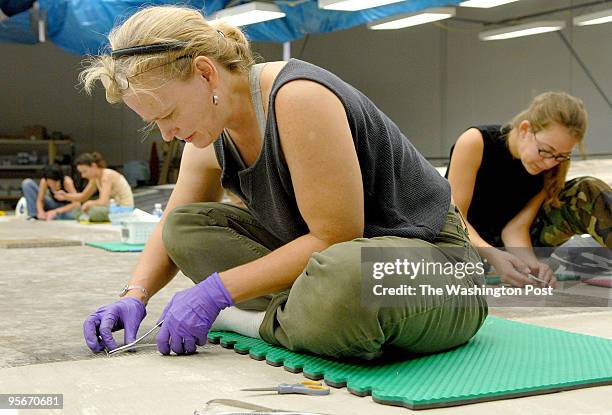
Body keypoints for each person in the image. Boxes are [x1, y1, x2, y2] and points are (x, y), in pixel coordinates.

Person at [80, 5, 487, 358]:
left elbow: (336, 238)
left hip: (433, 266)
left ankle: (252, 323)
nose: (166, 133)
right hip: (325, 268)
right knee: (183, 228)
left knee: (347, 279)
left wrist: (217, 294)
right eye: (155, 123)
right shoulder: (207, 131)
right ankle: (309, 318)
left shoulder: (296, 97)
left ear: (205, 74)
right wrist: (135, 295)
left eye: (168, 115)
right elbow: (171, 229)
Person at [446, 92, 611, 288]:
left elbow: (515, 229)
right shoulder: (476, 141)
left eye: (561, 156)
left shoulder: (552, 164)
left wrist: (532, 265)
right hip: (464, 240)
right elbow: (454, 219)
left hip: (508, 243)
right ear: (525, 129)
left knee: (587, 189)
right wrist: (491, 254)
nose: (550, 162)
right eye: (545, 151)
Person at [55, 152, 134, 222]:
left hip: (124, 209)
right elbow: (83, 196)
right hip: (113, 207)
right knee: (78, 211)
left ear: (93, 166)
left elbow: (103, 202)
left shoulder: (106, 176)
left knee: (93, 211)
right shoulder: (95, 178)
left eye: (85, 171)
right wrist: (65, 196)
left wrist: (90, 203)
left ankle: (87, 217)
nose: (83, 175)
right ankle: (87, 217)